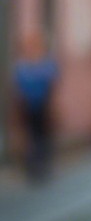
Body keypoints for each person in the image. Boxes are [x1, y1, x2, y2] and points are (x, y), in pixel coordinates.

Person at [12, 33, 59, 182]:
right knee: (30, 136)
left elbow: (52, 84)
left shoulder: (46, 64)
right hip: (27, 107)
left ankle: (42, 164)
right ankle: (32, 165)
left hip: (42, 106)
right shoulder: (22, 66)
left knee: (42, 136)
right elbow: (18, 87)